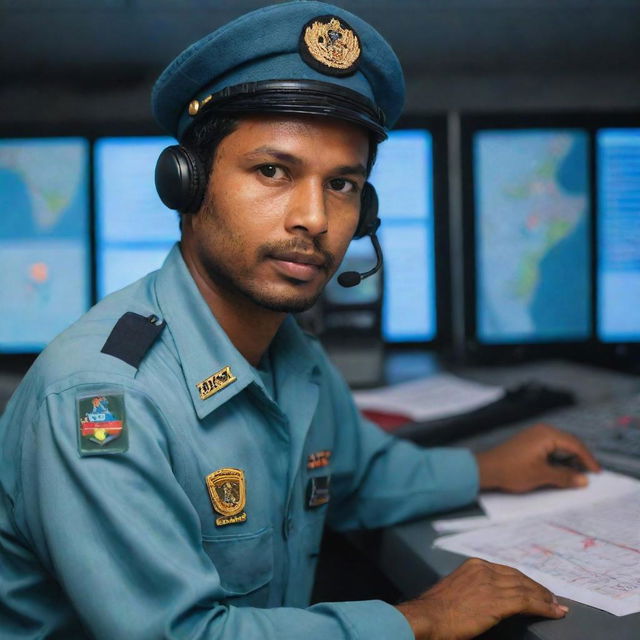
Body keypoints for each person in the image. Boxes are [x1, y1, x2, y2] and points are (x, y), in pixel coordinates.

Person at [0, 3, 600, 639]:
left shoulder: (290, 352)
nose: (314, 218)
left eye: (341, 185)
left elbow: (360, 476)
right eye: (272, 171)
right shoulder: (104, 398)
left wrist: (487, 468)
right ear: (188, 183)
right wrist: (420, 619)